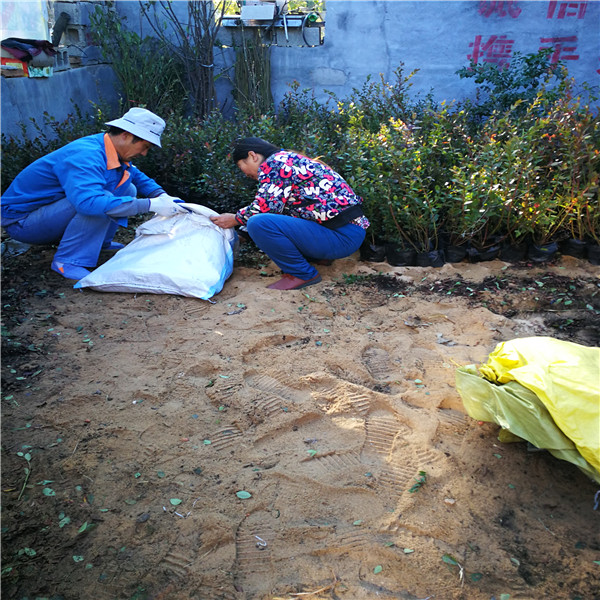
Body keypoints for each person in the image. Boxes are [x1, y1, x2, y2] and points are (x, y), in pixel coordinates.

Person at [1, 107, 188, 281]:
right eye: (145, 146)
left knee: (127, 187)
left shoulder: (109, 147)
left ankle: (98, 244)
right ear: (125, 135)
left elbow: (136, 176)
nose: (145, 153)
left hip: (47, 212)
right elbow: (88, 204)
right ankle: (67, 261)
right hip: (22, 223)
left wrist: (161, 195)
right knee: (96, 202)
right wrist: (150, 205)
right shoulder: (86, 155)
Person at [210, 137, 369, 290]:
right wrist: (242, 232)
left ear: (252, 156)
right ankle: (319, 257)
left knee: (257, 223)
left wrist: (235, 219)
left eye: (240, 166)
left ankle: (302, 274)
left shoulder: (275, 163)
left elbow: (264, 208)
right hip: (347, 233)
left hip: (341, 237)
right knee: (264, 221)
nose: (244, 174)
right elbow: (277, 209)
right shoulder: (288, 160)